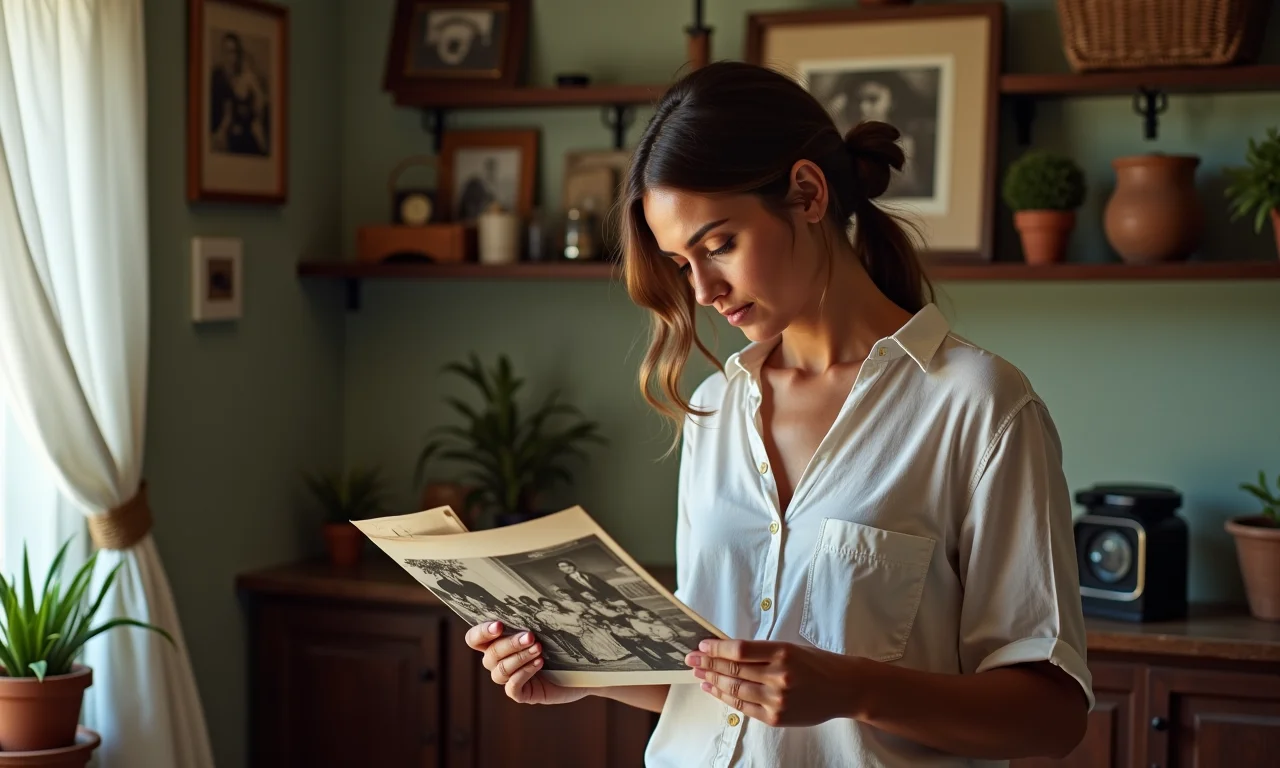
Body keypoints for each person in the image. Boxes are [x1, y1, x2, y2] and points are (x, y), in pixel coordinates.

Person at [462, 60, 1093, 767]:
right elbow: (712, 675)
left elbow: (1053, 715)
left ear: (806, 193)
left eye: (719, 244)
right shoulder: (715, 407)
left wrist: (854, 689)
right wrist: (581, 672)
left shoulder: (978, 405)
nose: (702, 290)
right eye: (680, 262)